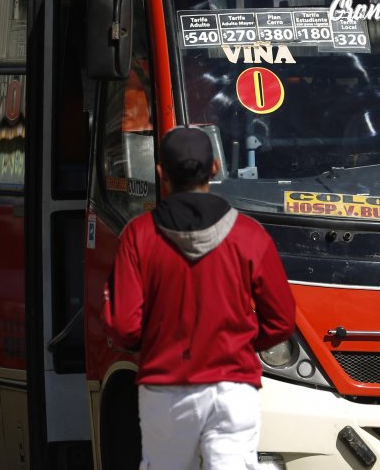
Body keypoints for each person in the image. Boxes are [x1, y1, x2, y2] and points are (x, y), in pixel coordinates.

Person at [102, 126, 296, 470]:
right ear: (216, 168)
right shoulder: (250, 235)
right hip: (233, 387)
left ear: (160, 173)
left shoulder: (138, 235)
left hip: (164, 388)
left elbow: (123, 326)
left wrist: (155, 343)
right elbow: (281, 320)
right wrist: (241, 343)